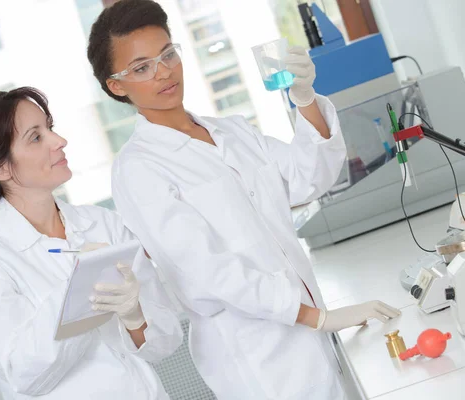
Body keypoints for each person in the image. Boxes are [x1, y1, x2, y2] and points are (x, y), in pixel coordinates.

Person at [87, 1, 401, 399]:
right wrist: (317, 317)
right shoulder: (138, 169)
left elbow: (306, 178)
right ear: (117, 85)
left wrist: (304, 97)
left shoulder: (231, 131)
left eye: (168, 54)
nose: (164, 71)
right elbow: (206, 269)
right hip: (256, 357)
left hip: (313, 331)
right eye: (142, 67)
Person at [0, 86, 183, 399]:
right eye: (36, 137)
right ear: (0, 167)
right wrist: (79, 294)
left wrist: (134, 315)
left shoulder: (102, 224)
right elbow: (23, 375)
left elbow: (166, 342)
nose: (59, 142)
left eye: (50, 128)